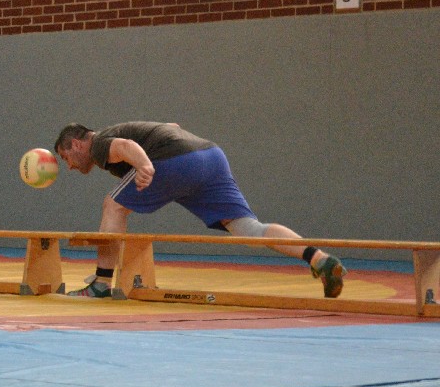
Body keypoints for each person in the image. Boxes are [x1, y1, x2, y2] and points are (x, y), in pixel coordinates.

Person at [54, 122, 346, 299]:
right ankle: (318, 258)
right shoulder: (122, 131)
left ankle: (101, 284)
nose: (69, 166)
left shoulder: (99, 143)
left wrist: (144, 165)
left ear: (77, 144)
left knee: (113, 205)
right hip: (211, 157)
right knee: (248, 229)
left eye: (67, 158)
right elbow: (173, 126)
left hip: (176, 161)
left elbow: (126, 146)